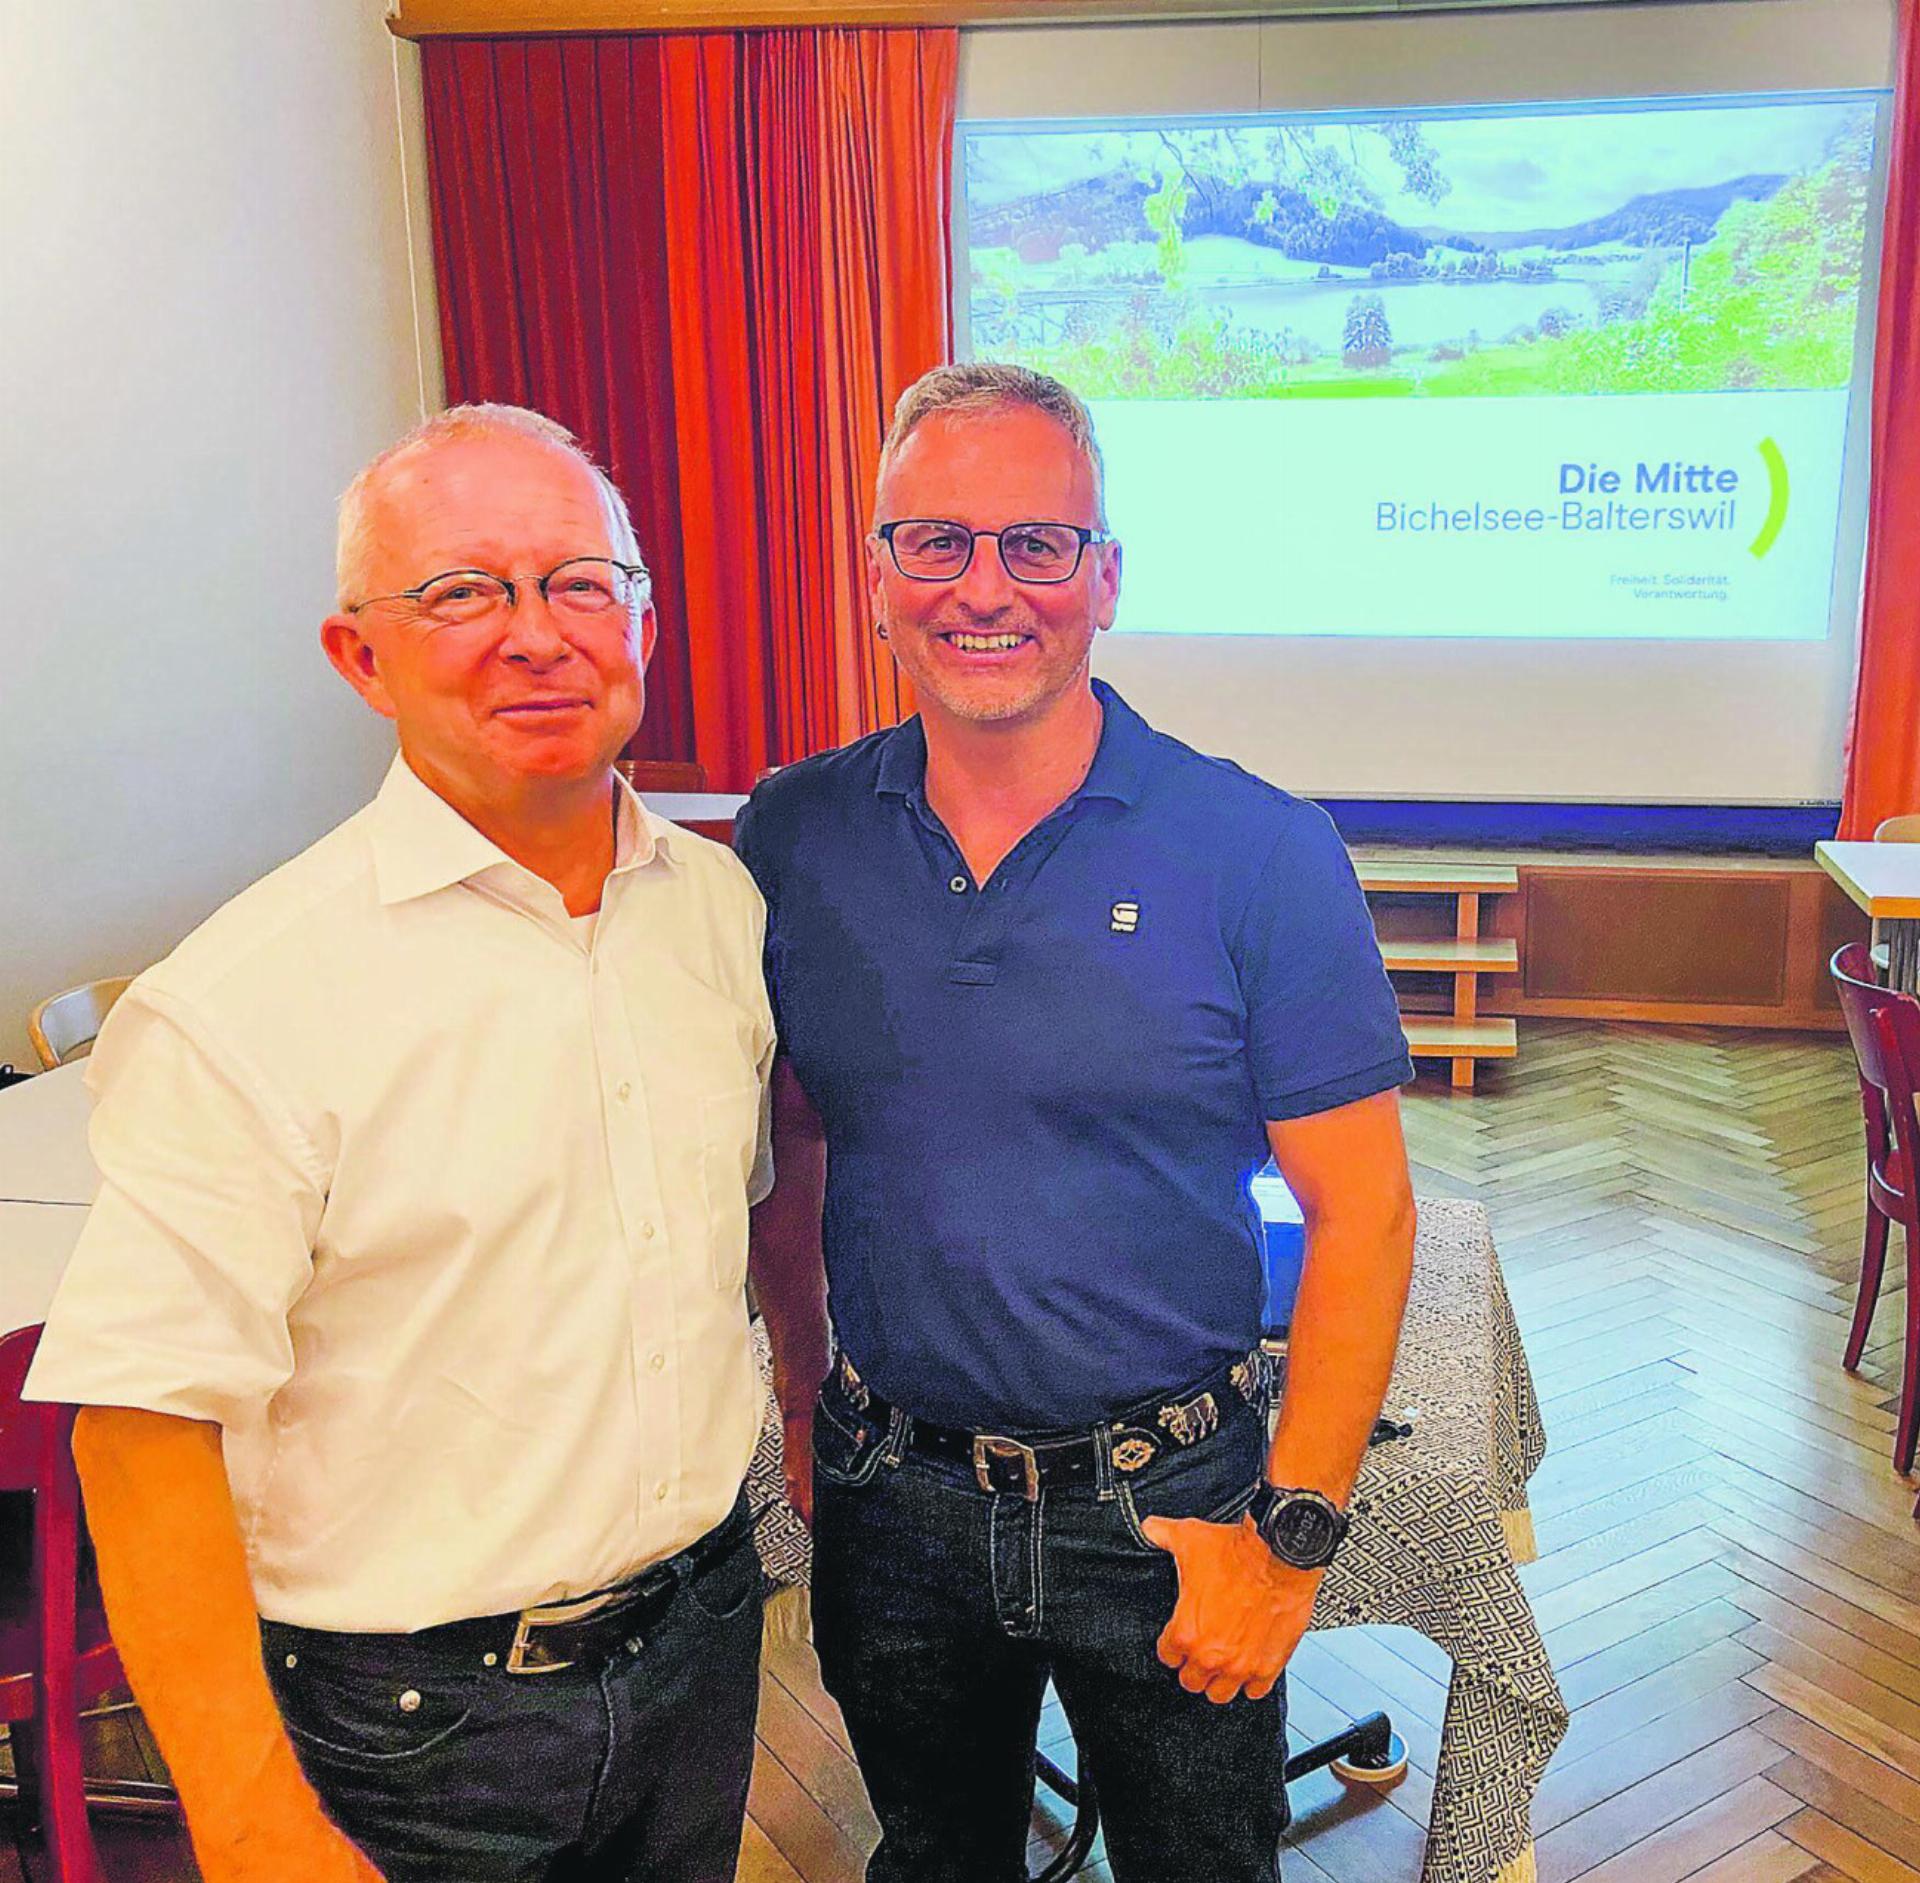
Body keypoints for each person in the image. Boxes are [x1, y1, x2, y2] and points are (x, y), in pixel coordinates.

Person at [26, 404, 776, 1883]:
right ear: (358, 656)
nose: (536, 634)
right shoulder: (246, 999)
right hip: (415, 1727)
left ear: (640, 616)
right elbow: (138, 1424)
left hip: (702, 1640)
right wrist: (248, 1824)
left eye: (576, 582)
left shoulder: (719, 913)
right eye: (460, 592)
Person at [736, 362, 1418, 1883]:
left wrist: (1291, 1540)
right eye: (938, 542)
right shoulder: (795, 833)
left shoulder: (1258, 849)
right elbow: (791, 1148)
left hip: (1171, 1507)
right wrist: (799, 1401)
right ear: (878, 576)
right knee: (934, 1860)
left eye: (1038, 545)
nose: (988, 588)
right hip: (891, 1502)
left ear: (1103, 578)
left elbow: (1366, 1214)